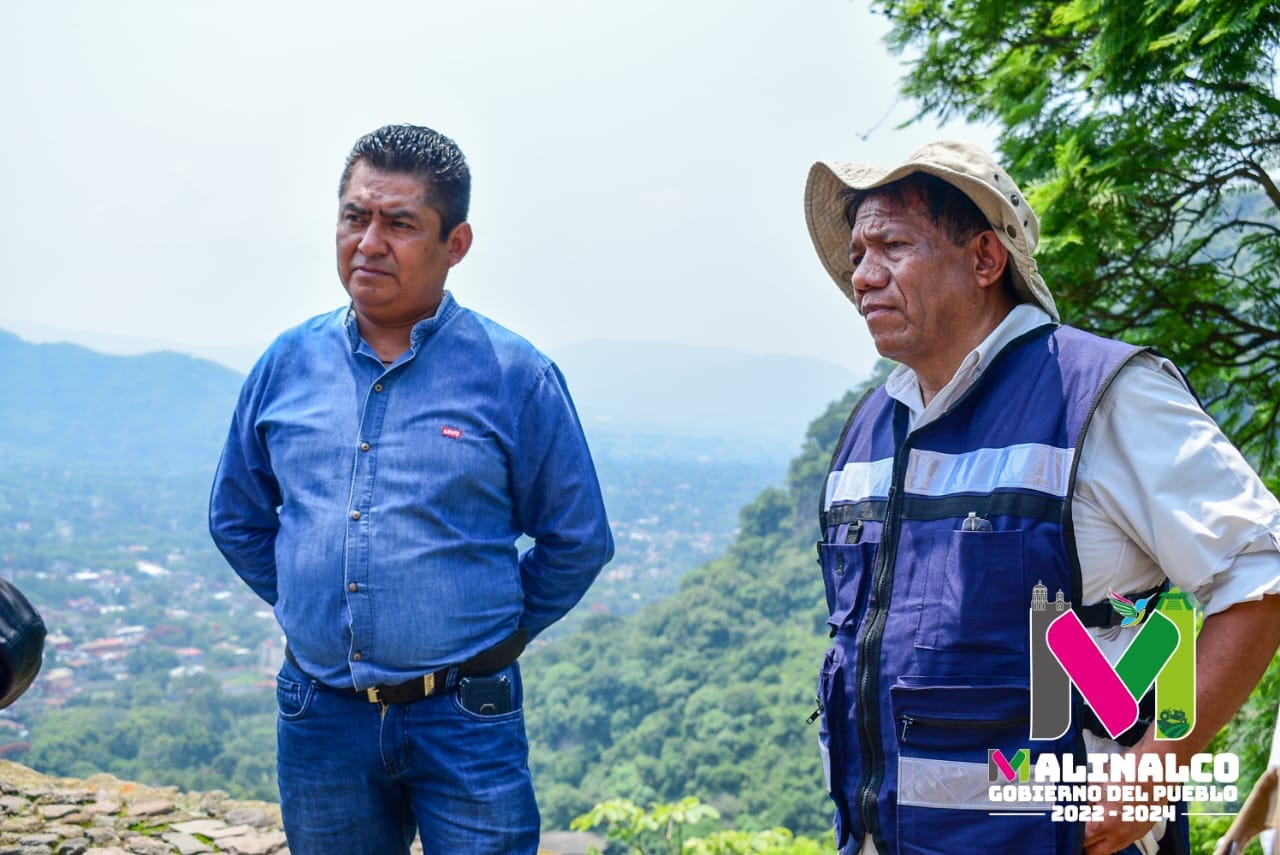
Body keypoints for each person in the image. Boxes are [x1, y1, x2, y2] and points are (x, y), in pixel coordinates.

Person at [802, 141, 1280, 855]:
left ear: (985, 259)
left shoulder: (1100, 398)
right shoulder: (871, 428)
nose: (863, 275)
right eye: (858, 253)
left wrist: (1154, 768)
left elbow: (1260, 576)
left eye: (893, 246)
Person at [209, 123, 614, 854]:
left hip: (465, 714)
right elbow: (236, 516)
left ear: (454, 244)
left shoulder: (512, 375)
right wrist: (312, 600)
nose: (369, 242)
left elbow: (577, 538)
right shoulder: (287, 364)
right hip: (320, 716)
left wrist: (500, 634)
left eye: (400, 224)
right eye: (354, 217)